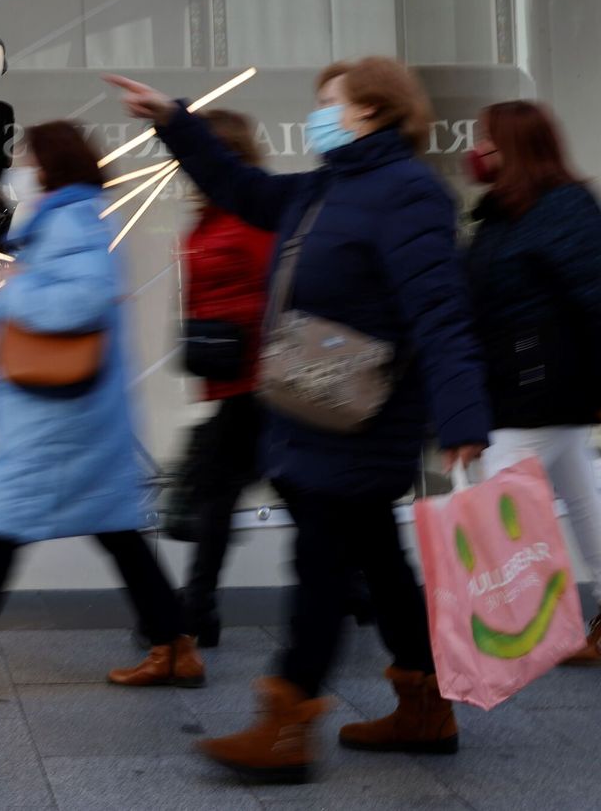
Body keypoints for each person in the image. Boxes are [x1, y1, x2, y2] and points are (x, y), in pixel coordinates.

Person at [106, 58, 490, 782]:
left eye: (328, 102)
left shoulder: (409, 194)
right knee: (377, 559)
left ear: (370, 112)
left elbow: (441, 313)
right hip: (316, 402)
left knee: (320, 559)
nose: (317, 113)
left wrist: (464, 415)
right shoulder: (329, 186)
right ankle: (424, 707)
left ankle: (287, 723)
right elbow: (242, 189)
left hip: (363, 413)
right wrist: (175, 123)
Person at [0, 120, 205, 696]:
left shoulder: (71, 220)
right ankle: (175, 646)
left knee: (6, 530)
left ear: (50, 167)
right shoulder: (62, 220)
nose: (19, 171)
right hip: (71, 412)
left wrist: (8, 294)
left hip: (61, 417)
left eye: (27, 160)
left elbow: (77, 298)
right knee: (114, 531)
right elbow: (38, 296)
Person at [464, 100, 601, 666]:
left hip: (543, 385)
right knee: (581, 496)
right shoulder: (502, 214)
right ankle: (565, 624)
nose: (476, 151)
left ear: (514, 148)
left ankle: (547, 626)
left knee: (495, 496)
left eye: (485, 139)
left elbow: (594, 296)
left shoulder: (563, 208)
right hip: (523, 382)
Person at [165, 109, 274, 646]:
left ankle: (198, 609)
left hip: (259, 379)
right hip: (232, 377)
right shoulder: (212, 215)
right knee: (235, 491)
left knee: (216, 493)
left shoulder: (251, 215)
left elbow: (274, 289)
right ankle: (356, 586)